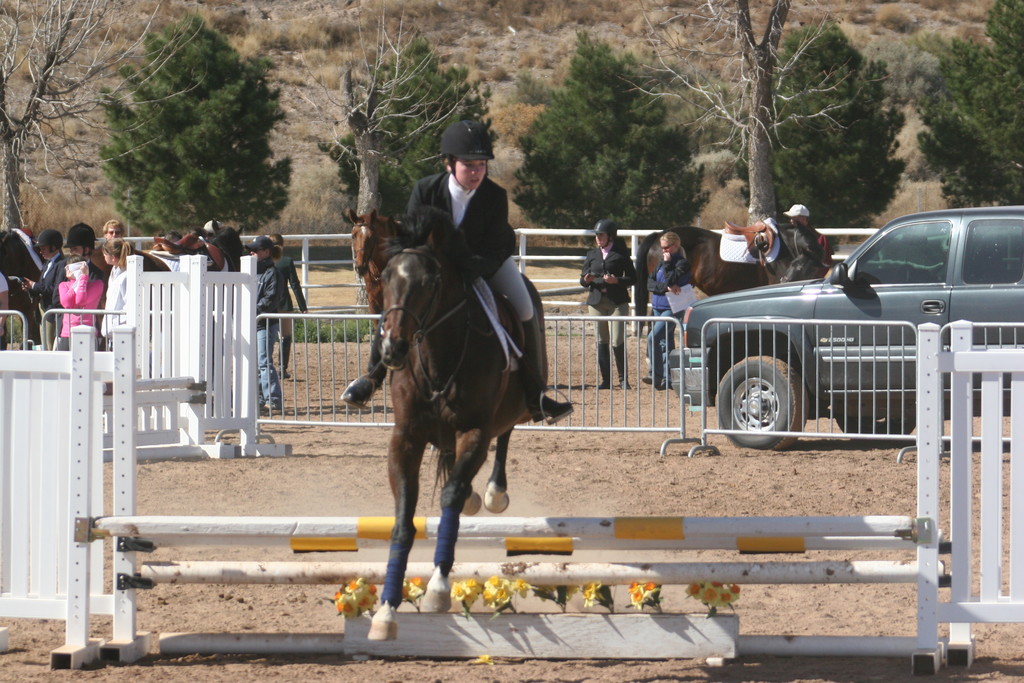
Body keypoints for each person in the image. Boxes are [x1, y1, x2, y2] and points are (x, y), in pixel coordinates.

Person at [340, 120, 573, 424]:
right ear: (449, 164)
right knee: (399, 309)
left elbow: (499, 243)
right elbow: (410, 237)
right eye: (469, 165)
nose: (477, 172)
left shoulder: (494, 196)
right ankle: (371, 379)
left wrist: (475, 267)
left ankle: (536, 393)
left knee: (525, 307)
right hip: (434, 268)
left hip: (484, 265)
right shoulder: (425, 190)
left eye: (481, 165)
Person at [580, 218, 636, 389]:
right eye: (597, 235)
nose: (598, 238)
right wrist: (586, 279)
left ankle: (623, 379)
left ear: (610, 236)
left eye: (601, 235)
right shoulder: (591, 255)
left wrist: (616, 280)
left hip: (617, 302)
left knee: (617, 339)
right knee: (601, 340)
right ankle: (606, 380)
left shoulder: (621, 254)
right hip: (596, 302)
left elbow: (632, 278)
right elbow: (582, 281)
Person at [645, 231, 691, 390]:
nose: (663, 251)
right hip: (658, 306)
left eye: (666, 248)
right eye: (662, 248)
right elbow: (649, 284)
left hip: (672, 307)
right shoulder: (660, 263)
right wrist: (665, 287)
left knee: (653, 337)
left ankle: (654, 374)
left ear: (675, 246)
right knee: (666, 341)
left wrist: (667, 264)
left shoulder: (682, 264)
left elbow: (672, 278)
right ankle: (669, 378)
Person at [248, 235, 286, 414]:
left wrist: (251, 311)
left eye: (255, 251)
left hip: (265, 324)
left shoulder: (273, 274)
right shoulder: (252, 273)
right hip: (255, 322)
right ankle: (261, 398)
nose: (252, 253)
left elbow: (271, 299)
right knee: (257, 363)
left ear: (266, 252)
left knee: (264, 361)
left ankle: (273, 398)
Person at [269, 233, 308, 379]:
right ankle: (282, 368)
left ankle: (267, 366)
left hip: (267, 305)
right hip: (283, 302)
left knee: (267, 336)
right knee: (285, 336)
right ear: (282, 245)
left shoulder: (262, 262)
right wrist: (303, 306)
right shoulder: (286, 261)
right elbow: (295, 284)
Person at [22, 228, 66, 348]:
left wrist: (34, 285)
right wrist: (30, 288)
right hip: (43, 308)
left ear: (54, 247)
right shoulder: (47, 263)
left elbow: (54, 288)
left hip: (52, 310)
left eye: (43, 248)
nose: (41, 251)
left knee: (50, 345)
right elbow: (43, 285)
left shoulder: (62, 264)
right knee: (44, 343)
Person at [55, 255, 104, 351]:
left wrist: (83, 278)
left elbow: (80, 300)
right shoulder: (63, 285)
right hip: (67, 333)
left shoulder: (97, 285)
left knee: (90, 365)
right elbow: (67, 304)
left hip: (88, 333)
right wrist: (77, 281)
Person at [782, 204, 833, 277]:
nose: (791, 221)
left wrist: (813, 276)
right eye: (791, 218)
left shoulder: (820, 239)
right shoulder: (787, 236)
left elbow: (826, 263)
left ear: (804, 219)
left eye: (795, 218)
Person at [100, 238, 133, 349]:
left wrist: (116, 325)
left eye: (105, 254)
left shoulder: (128, 275)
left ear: (113, 257)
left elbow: (129, 305)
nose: (103, 257)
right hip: (113, 333)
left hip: (122, 333)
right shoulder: (114, 272)